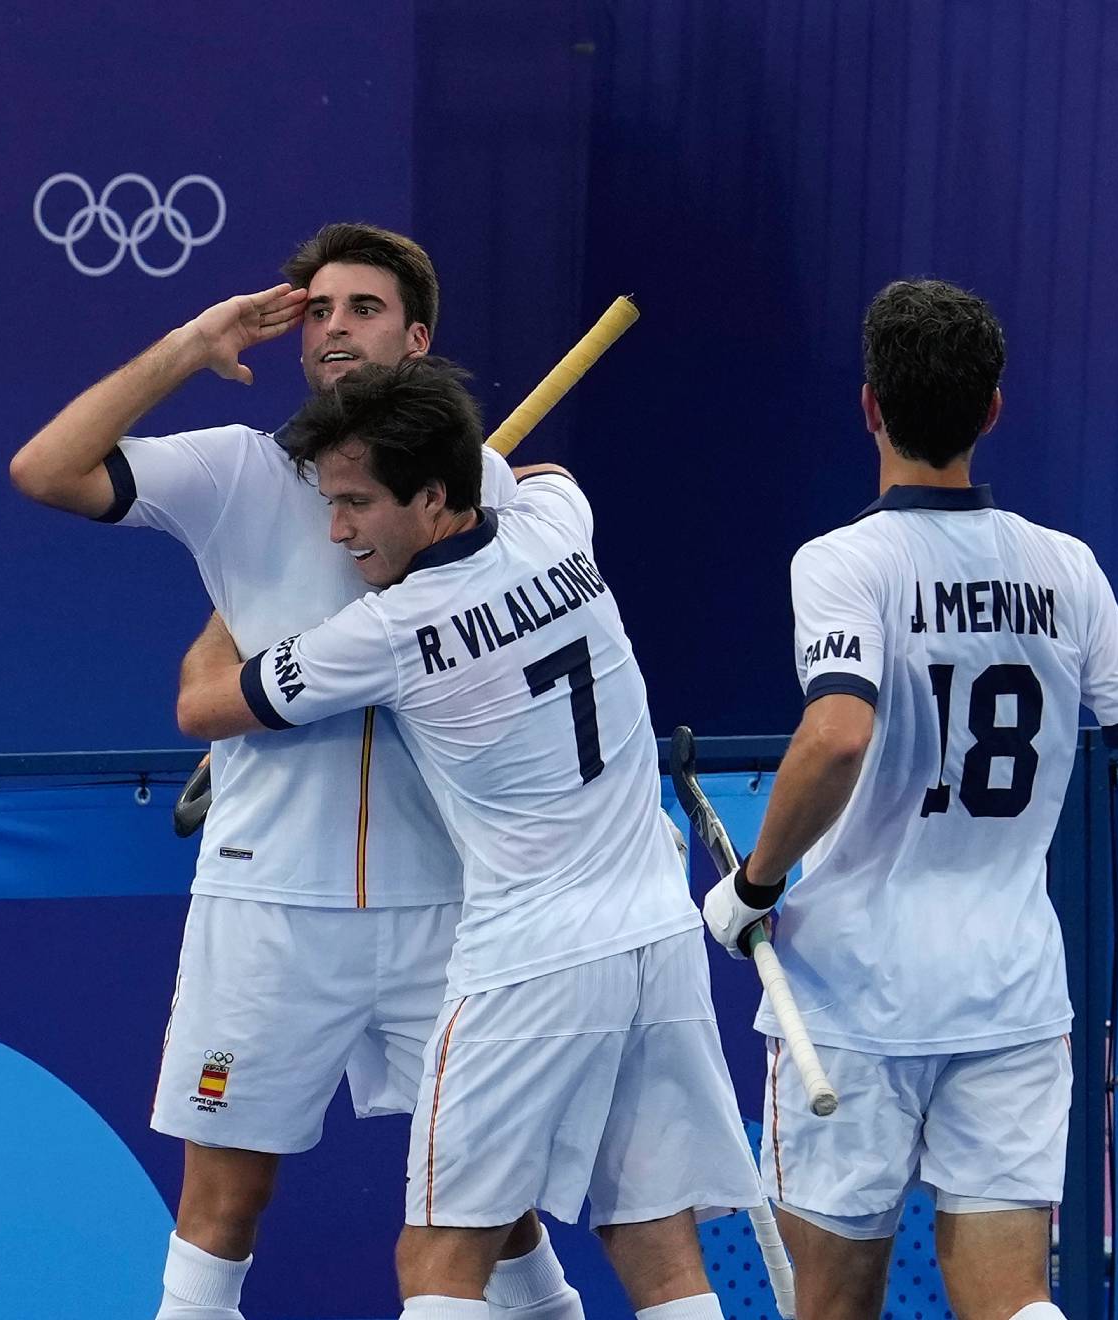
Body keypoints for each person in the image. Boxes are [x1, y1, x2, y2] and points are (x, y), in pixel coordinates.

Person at [10, 226, 582, 1320]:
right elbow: (45, 469)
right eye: (316, 310)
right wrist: (190, 342)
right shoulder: (234, 470)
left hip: (449, 903)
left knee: (495, 1208)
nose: (333, 328)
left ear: (417, 339)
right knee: (223, 1204)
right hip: (268, 898)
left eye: (363, 308)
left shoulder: (495, 488)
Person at [699, 278, 1118, 1320]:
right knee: (1007, 1302)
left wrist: (752, 886)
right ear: (993, 409)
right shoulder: (1065, 568)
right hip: (1009, 994)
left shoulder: (841, 564)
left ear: (869, 405)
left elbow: (838, 732)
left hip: (853, 994)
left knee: (833, 1306)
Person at [177, 357, 763, 1320]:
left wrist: (243, 604)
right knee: (658, 1247)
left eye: (358, 504)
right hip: (657, 941)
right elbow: (554, 482)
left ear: (435, 493)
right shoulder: (556, 535)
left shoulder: (384, 630)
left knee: (439, 1261)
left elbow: (202, 705)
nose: (335, 531)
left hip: (527, 962)